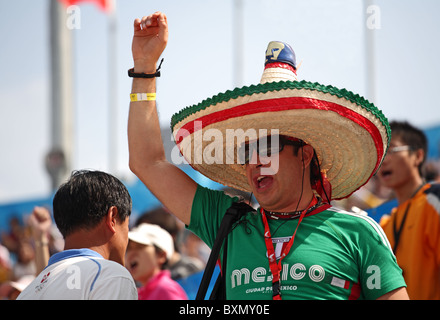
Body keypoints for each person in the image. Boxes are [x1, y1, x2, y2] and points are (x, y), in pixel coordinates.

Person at [127, 12, 408, 300]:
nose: (255, 162)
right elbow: (147, 163)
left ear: (305, 154)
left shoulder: (358, 233)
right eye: (247, 151)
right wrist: (144, 69)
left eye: (268, 148)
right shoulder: (229, 224)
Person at [17, 170, 137, 300]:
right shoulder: (112, 275)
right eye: (126, 224)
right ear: (112, 218)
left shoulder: (28, 291)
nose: (127, 237)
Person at [378, 121, 440, 300]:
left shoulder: (436, 199)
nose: (384, 159)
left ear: (418, 156)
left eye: (392, 150)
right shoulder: (385, 223)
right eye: (381, 152)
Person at [136, 207, 205, 280]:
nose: (139, 245)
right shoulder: (142, 279)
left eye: (149, 236)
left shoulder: (191, 270)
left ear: (170, 236)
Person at [126, 223, 188, 300]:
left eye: (140, 247)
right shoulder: (138, 293)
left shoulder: (165, 289)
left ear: (161, 255)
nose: (131, 253)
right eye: (128, 248)